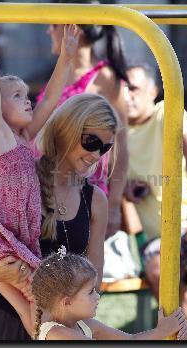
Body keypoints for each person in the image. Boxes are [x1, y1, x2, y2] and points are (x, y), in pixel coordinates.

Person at [0, 1, 80, 335]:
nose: (28, 100)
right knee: (39, 299)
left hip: (9, 242)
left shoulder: (23, 138)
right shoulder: (0, 138)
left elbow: (51, 99)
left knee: (33, 311)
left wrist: (66, 59)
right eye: (17, 95)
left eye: (27, 94)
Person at [0, 91, 120, 340]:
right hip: (7, 316)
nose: (96, 155)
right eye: (91, 142)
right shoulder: (21, 179)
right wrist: (27, 315)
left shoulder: (95, 200)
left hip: (57, 331)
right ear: (67, 131)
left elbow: (93, 280)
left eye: (104, 148)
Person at [123, 62, 187, 339]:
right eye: (122, 87)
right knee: (158, 269)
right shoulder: (117, 131)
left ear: (152, 91)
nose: (127, 94)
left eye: (133, 87)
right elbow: (109, 182)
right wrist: (125, 188)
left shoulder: (165, 112)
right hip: (161, 236)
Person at [37, 0, 129, 237]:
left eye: (53, 25)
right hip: (46, 184)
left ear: (72, 28)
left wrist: (115, 206)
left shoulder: (104, 79)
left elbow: (121, 146)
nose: (48, 31)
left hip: (82, 188)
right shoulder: (59, 74)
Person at [5, 251, 187, 340]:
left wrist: (161, 331)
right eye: (90, 292)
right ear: (67, 302)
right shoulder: (57, 334)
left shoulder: (85, 325)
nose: (97, 296)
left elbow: (130, 341)